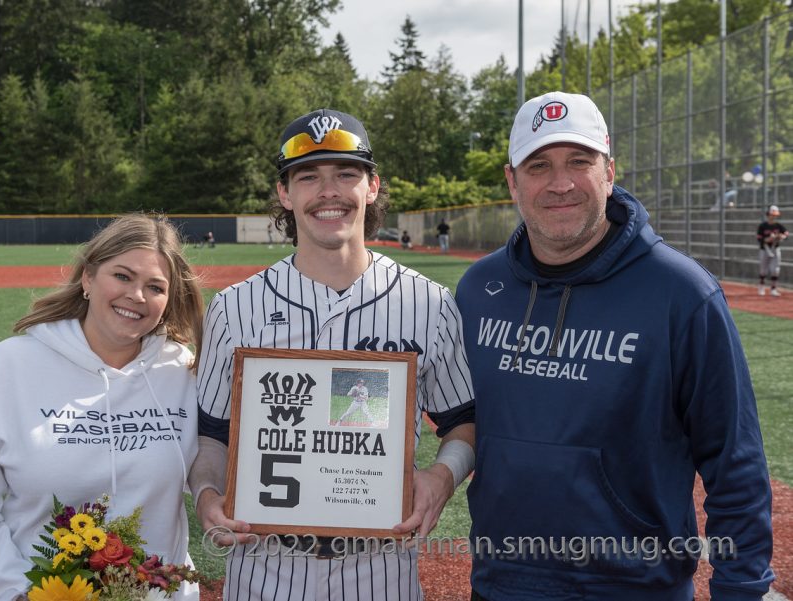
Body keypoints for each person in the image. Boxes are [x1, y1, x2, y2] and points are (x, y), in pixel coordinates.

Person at [456, 92, 774, 601]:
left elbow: (733, 461)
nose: (561, 183)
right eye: (539, 166)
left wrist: (742, 587)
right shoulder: (478, 289)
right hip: (501, 584)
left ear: (609, 171)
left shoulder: (681, 293)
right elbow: (458, 419)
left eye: (579, 162)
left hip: (635, 588)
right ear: (512, 180)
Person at [190, 108, 476, 600]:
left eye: (346, 173)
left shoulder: (428, 303)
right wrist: (207, 496)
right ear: (285, 193)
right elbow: (213, 431)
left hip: (381, 570)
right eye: (309, 177)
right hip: (264, 568)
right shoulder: (235, 308)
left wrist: (442, 475)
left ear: (371, 186)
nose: (329, 192)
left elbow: (463, 419)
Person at [0, 214, 206, 601]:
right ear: (88, 278)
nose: (137, 296)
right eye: (123, 276)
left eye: (155, 287)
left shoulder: (183, 371)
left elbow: (219, 472)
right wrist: (19, 593)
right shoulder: (8, 367)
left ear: (168, 299)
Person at [757, 204, 787, 296]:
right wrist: (767, 239)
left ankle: (773, 288)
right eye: (772, 215)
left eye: (775, 215)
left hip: (775, 249)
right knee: (763, 269)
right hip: (765, 249)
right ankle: (761, 287)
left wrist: (781, 236)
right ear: (768, 214)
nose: (774, 217)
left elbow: (785, 234)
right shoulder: (763, 226)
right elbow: (759, 238)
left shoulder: (779, 226)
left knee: (775, 269)